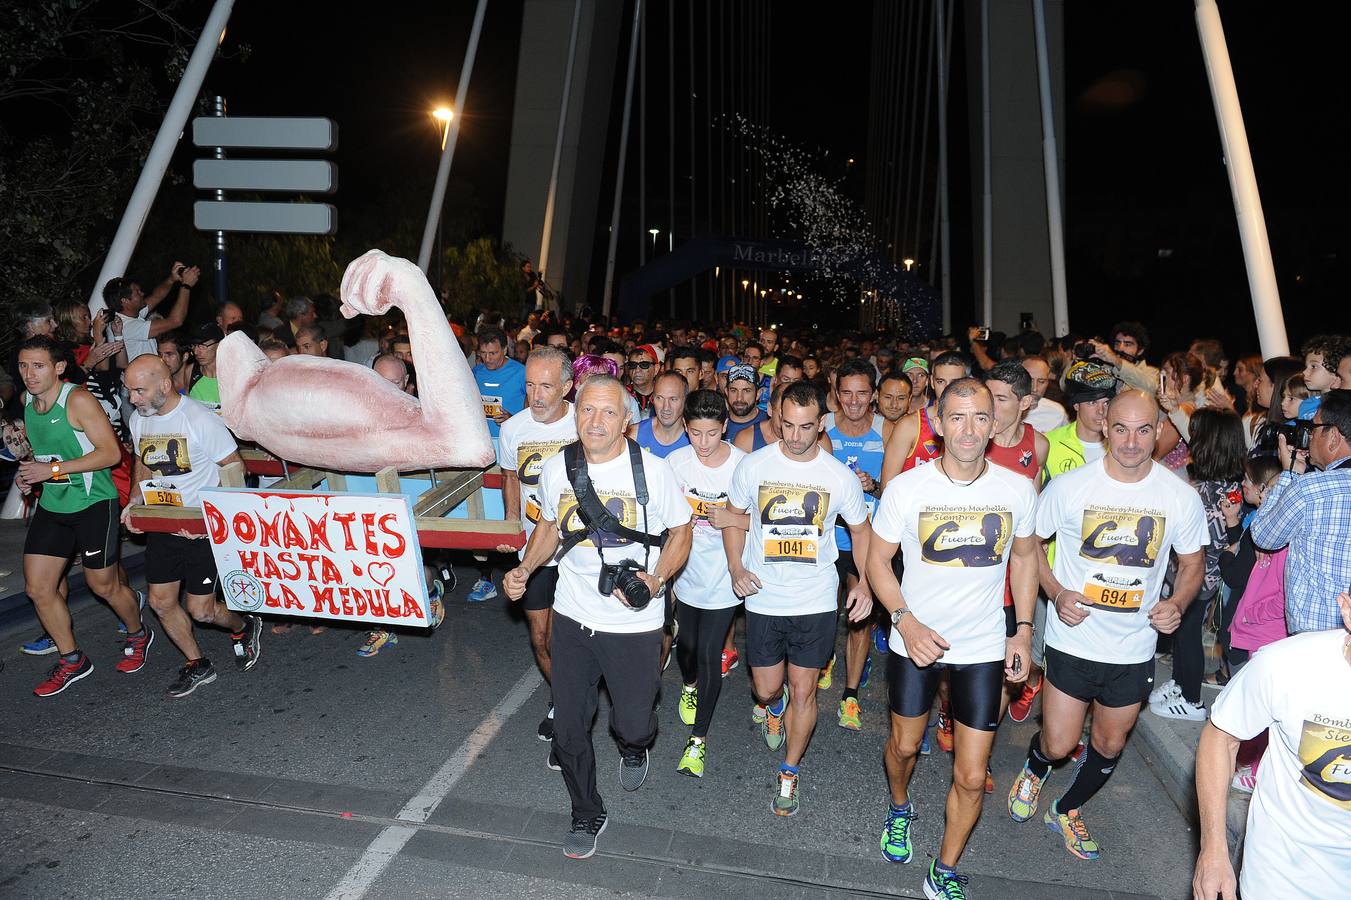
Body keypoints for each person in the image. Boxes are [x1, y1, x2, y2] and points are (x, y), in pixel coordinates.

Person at [1006, 390, 1208, 861]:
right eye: (1121, 429)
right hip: (1074, 636)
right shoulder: (1071, 487)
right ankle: (1036, 767)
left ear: (1158, 431)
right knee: (1058, 744)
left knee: (1109, 742)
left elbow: (1193, 562)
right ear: (1104, 429)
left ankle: (1067, 808)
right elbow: (1030, 545)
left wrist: (1176, 601)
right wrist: (1056, 593)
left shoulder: (1179, 496)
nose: (1132, 442)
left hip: (1134, 646)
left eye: (1143, 430)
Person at [502, 376, 692, 860]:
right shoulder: (557, 469)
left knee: (632, 724)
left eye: (609, 413)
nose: (596, 422)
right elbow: (548, 525)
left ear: (627, 420)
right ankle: (586, 810)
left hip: (633, 623)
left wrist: (655, 581)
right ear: (575, 413)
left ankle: (635, 743)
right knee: (569, 727)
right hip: (573, 616)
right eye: (587, 410)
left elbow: (681, 530)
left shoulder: (652, 471)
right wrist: (525, 567)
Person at [866, 377, 1039, 898]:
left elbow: (1027, 557)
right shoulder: (908, 487)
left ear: (995, 424)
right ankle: (900, 806)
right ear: (937, 424)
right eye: (957, 418)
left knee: (971, 774)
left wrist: (1024, 631)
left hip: (983, 647)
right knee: (904, 745)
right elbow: (877, 561)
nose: (969, 429)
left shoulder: (1015, 489)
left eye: (981, 417)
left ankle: (943, 871)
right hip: (913, 639)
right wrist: (904, 619)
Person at [723, 380, 873, 817]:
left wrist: (863, 581)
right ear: (776, 419)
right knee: (767, 689)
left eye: (806, 427)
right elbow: (733, 517)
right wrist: (736, 567)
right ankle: (773, 709)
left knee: (804, 689)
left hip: (815, 599)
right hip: (764, 597)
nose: (794, 436)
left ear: (821, 424)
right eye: (786, 425)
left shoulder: (838, 476)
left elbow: (861, 530)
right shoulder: (754, 466)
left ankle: (789, 771)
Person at [1191, 593, 1351, 900]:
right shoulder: (1287, 665)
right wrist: (1213, 850)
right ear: (1346, 609)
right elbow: (1222, 736)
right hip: (1284, 877)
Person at [121, 355, 262, 697]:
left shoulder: (199, 419)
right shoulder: (141, 420)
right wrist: (135, 501)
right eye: (129, 391)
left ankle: (244, 625)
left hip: (201, 526)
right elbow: (142, 459)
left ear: (165, 385)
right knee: (160, 602)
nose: (133, 399)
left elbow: (235, 468)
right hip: (164, 522)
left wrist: (213, 523)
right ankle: (197, 663)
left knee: (201, 611)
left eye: (139, 391)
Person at [14, 335, 147, 697]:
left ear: (58, 368)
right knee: (38, 589)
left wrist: (51, 472)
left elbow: (110, 455)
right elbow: (44, 453)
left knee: (102, 585)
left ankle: (137, 632)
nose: (29, 373)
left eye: (38, 365)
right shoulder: (28, 401)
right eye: (23, 365)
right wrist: (28, 473)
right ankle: (73, 660)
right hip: (54, 506)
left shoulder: (79, 400)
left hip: (94, 502)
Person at [494, 346, 577, 760]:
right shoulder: (513, 430)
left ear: (567, 385)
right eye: (529, 385)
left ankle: (574, 708)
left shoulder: (587, 423)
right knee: (541, 637)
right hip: (534, 550)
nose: (537, 395)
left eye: (546, 386)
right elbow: (510, 477)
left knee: (576, 638)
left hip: (582, 552)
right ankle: (564, 697)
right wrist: (512, 521)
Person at [665, 390, 748, 778]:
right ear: (685, 427)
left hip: (723, 576)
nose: (703, 443)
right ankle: (689, 684)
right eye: (695, 433)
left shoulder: (743, 466)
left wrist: (731, 520)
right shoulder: (675, 464)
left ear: (725, 429)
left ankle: (697, 741)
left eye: (712, 434)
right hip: (686, 572)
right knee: (688, 648)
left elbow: (762, 522)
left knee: (711, 650)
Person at [1150, 408, 1244, 722]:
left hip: (1200, 581)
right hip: (1208, 578)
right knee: (1182, 634)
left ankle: (1191, 700)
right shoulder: (1228, 487)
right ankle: (1179, 684)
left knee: (1187, 636)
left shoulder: (1201, 493)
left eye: (1197, 438)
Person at [1250, 389, 1351, 634]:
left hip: (1315, 636)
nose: (1308, 435)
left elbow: (1264, 537)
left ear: (1334, 437)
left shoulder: (1311, 489)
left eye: (1313, 428)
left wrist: (1290, 474)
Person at [822, 359, 889, 731]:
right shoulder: (823, 427)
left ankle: (850, 695)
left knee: (860, 611)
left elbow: (895, 488)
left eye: (862, 392)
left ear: (873, 395)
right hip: (827, 536)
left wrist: (872, 486)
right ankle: (826, 655)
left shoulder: (888, 430)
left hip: (867, 537)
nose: (854, 400)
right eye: (846, 392)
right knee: (827, 610)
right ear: (836, 393)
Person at [984, 361, 1051, 725]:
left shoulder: (1037, 445)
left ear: (1025, 402)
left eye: (1001, 399)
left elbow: (1033, 517)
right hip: (972, 567)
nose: (990, 407)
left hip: (1013, 575)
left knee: (1002, 667)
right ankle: (951, 713)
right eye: (988, 396)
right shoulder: (972, 438)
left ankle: (982, 737)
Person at [470, 326, 527, 603]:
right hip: (482, 447)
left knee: (509, 505)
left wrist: (512, 417)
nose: (489, 359)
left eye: (494, 353)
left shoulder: (521, 372)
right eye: (483, 354)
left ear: (505, 350)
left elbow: (532, 410)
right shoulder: (476, 372)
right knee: (484, 510)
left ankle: (520, 569)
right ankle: (485, 576)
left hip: (511, 446)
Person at [881, 351, 970, 482]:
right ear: (932, 382)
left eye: (955, 382)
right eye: (941, 381)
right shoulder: (909, 425)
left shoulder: (973, 426)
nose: (947, 388)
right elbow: (888, 486)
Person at [101, 263, 197, 362]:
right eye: (137, 292)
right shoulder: (127, 327)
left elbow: (156, 297)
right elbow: (176, 321)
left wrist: (171, 279)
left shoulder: (128, 315)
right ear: (125, 301)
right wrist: (186, 286)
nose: (142, 293)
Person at [1041, 361, 1117, 479]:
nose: (1101, 411)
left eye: (1106, 403)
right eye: (1092, 403)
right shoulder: (1048, 443)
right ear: (1076, 405)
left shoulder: (1121, 444)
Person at [1087, 320, 1160, 394]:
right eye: (1117, 343)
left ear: (1140, 351)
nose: (1120, 348)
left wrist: (1116, 361)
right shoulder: (1106, 368)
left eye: (1127, 344)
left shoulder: (1153, 373)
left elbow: (1152, 389)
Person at [635, 372, 690, 458]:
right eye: (659, 398)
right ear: (652, 399)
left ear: (685, 400)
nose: (666, 407)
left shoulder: (697, 439)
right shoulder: (634, 435)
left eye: (673, 399)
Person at [1297, 335, 1347, 420]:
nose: (1304, 372)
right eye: (1306, 366)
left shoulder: (1344, 406)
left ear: (1335, 370)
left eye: (1313, 366)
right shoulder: (1308, 404)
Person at [1022, 356, 1069, 433]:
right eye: (1029, 381)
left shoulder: (1057, 413)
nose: (1034, 388)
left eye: (1041, 381)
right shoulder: (1000, 410)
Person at [722, 364, 767, 442]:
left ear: (758, 394)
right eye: (733, 390)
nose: (739, 398)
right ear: (726, 392)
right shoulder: (717, 422)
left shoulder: (769, 423)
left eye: (747, 391)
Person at [186, 324, 225, 414]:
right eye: (194, 345)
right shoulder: (190, 371)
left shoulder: (232, 373)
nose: (196, 352)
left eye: (202, 346)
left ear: (219, 344)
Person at [625, 345, 659, 418]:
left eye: (644, 365)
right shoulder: (622, 394)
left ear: (656, 369)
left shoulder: (664, 394)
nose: (637, 370)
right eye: (633, 365)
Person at [876, 372, 913, 438]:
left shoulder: (918, 430)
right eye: (888, 397)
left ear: (909, 399)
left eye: (901, 398)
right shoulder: (863, 427)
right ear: (877, 396)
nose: (894, 405)